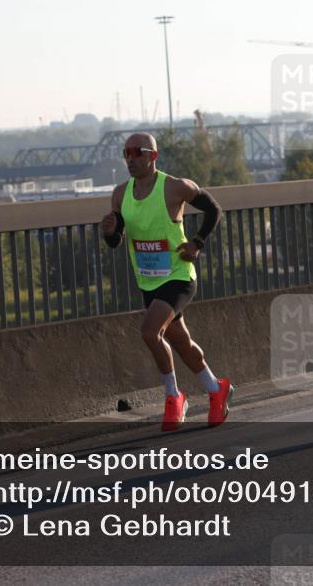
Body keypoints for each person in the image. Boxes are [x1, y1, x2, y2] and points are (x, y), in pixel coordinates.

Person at [101, 132, 233, 430]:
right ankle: (216, 388)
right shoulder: (120, 195)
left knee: (150, 332)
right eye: (126, 153)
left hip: (178, 275)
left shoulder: (175, 187)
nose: (130, 159)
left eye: (137, 152)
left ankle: (174, 397)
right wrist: (109, 231)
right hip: (149, 280)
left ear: (153, 156)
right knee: (182, 342)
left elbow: (214, 210)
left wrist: (197, 242)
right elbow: (116, 240)